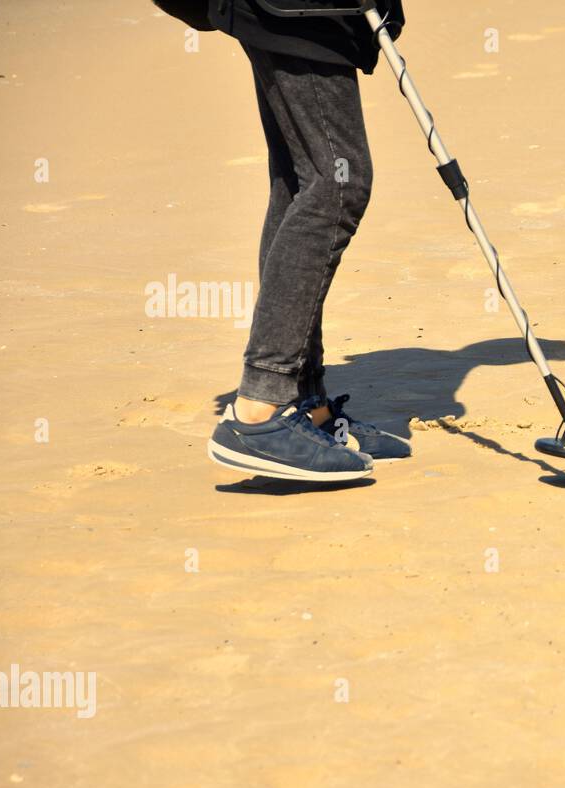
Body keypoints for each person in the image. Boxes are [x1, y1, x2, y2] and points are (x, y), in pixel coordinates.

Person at [203, 0, 411, 481]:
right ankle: (257, 412)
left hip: (296, 11)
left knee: (302, 182)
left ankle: (304, 406)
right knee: (337, 183)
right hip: (299, 9)